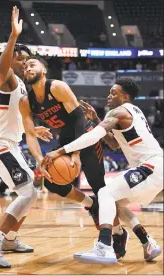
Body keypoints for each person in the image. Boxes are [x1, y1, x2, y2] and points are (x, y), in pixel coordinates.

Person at [20, 56, 130, 260]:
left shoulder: (58, 87)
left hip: (86, 133)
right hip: (66, 137)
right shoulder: (26, 101)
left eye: (32, 64)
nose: (27, 68)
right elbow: (29, 134)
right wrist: (39, 160)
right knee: (52, 182)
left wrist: (77, 153)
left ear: (44, 70)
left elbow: (79, 118)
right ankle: (91, 205)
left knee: (100, 187)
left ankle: (118, 234)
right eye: (25, 66)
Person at [42, 78, 163, 264]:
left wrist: (61, 150)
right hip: (153, 168)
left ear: (124, 96)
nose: (109, 95)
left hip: (151, 166)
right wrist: (98, 120)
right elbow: (114, 144)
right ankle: (148, 242)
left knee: (104, 193)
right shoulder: (133, 112)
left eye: (113, 93)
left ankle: (104, 246)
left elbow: (93, 136)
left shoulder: (119, 111)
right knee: (116, 204)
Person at [0, 6, 52, 268]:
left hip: (11, 144)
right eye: (19, 58)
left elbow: (19, 118)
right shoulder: (8, 78)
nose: (23, 62)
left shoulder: (23, 87)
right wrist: (13, 36)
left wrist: (34, 130)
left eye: (26, 59)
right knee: (27, 191)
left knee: (31, 190)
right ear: (11, 61)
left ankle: (9, 238)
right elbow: (1, 67)